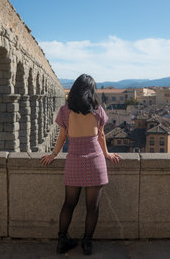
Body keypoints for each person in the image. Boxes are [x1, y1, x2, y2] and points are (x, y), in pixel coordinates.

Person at [41, 74, 121, 255]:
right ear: (91, 92)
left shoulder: (65, 111)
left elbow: (62, 136)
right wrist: (107, 153)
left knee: (69, 203)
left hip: (74, 160)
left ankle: (62, 241)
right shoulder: (98, 110)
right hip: (95, 161)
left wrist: (54, 154)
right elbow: (101, 136)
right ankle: (87, 243)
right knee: (93, 207)